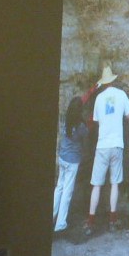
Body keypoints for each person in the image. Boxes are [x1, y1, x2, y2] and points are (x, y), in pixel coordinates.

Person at [84, 63, 129, 235]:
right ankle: (113, 220)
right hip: (117, 144)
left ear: (103, 82)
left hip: (102, 145)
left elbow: (96, 120)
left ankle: (90, 221)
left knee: (96, 184)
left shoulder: (98, 98)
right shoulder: (121, 94)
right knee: (114, 183)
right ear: (112, 79)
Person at [53, 97, 89, 232]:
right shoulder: (80, 125)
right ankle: (61, 223)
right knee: (67, 191)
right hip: (72, 161)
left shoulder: (66, 120)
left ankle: (51, 215)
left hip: (62, 157)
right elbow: (86, 134)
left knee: (59, 188)